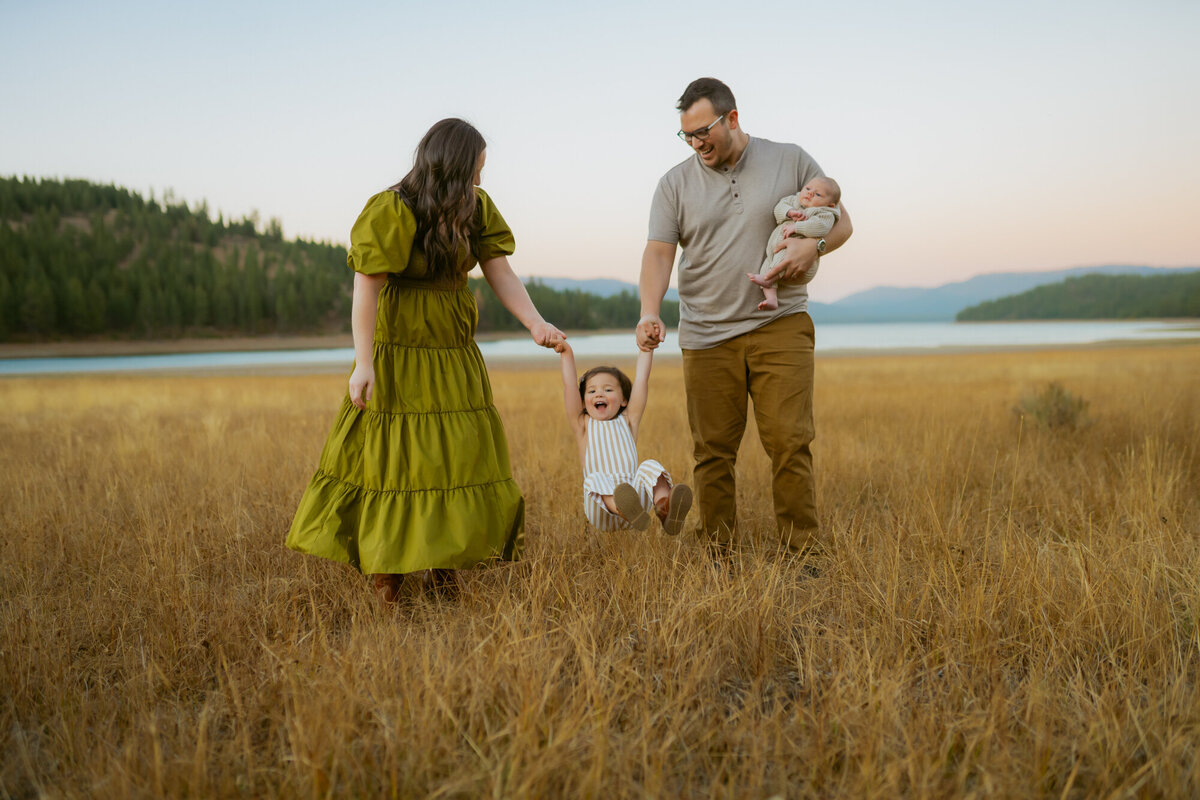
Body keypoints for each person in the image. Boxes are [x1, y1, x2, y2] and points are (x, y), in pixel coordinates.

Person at [286, 118, 565, 604]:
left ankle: (443, 566)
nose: (483, 173)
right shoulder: (393, 207)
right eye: (478, 163)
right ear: (456, 164)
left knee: (454, 455)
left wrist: (535, 323)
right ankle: (388, 574)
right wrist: (364, 362)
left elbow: (500, 271)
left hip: (453, 348)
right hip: (400, 348)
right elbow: (366, 290)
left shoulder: (476, 208)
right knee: (394, 459)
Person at [637, 78, 853, 556]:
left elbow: (843, 222)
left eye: (704, 131)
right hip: (706, 334)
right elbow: (658, 254)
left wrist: (812, 245)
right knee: (712, 452)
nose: (697, 143)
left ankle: (804, 556)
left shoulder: (790, 159)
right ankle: (718, 554)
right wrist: (649, 311)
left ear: (732, 118)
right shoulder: (674, 183)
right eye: (687, 135)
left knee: (790, 442)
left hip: (780, 323)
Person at [555, 341, 692, 534]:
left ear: (624, 400)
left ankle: (665, 507)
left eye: (608, 390)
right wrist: (566, 352)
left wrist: (647, 347)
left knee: (649, 465)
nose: (599, 393)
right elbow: (569, 385)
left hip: (636, 505)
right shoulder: (583, 424)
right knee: (593, 478)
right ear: (583, 402)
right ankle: (620, 506)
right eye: (592, 391)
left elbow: (642, 378)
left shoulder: (629, 420)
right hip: (601, 510)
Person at [747, 177, 842, 311]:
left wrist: (798, 227)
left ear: (830, 205)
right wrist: (789, 212)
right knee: (767, 265)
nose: (809, 193)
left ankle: (769, 279)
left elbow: (820, 227)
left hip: (799, 257)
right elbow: (779, 207)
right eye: (808, 189)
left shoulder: (825, 213)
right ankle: (771, 299)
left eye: (818, 194)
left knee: (779, 262)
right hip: (776, 251)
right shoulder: (794, 201)